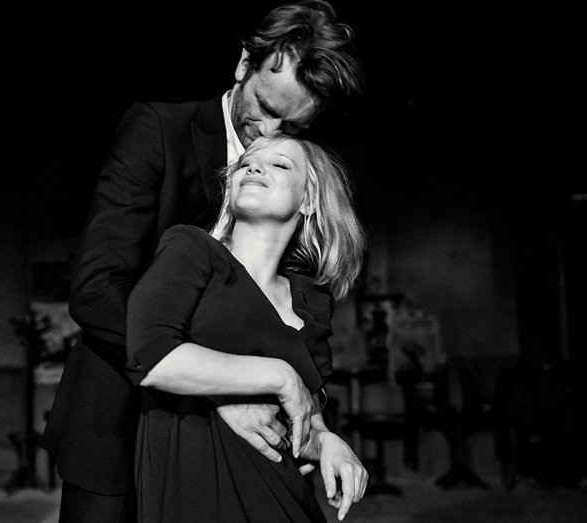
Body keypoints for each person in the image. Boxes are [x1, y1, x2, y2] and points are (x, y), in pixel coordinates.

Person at [40, 2, 364, 521]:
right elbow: (97, 288)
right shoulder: (158, 130)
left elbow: (291, 344)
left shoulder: (294, 187)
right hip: (117, 422)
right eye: (265, 106)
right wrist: (220, 389)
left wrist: (321, 433)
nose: (269, 132)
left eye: (292, 125)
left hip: (225, 456)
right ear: (244, 65)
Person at [128, 136, 368, 522]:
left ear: (309, 201)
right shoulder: (191, 249)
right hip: (196, 486)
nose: (254, 166)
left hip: (283, 492)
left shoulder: (311, 298)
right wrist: (280, 376)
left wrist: (328, 443)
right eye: (246, 162)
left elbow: (305, 418)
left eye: (280, 164)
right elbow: (151, 356)